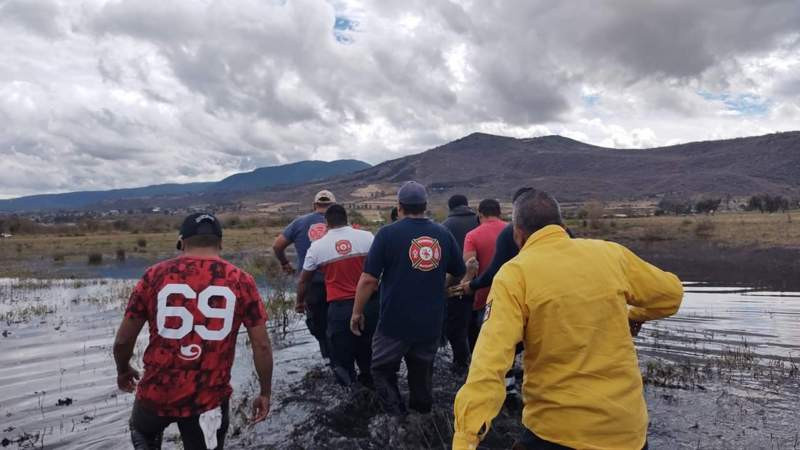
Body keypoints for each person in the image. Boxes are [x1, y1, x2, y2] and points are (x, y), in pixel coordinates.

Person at [453, 190, 683, 450]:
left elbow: (489, 365)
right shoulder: (611, 254)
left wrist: (465, 437)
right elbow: (670, 295)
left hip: (556, 434)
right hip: (627, 433)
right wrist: (635, 315)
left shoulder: (515, 274)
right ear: (563, 226)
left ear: (518, 234)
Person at [114, 213, 273, 450]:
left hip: (156, 393)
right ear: (220, 243)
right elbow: (261, 345)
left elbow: (124, 339)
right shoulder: (241, 280)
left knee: (141, 433)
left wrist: (123, 369)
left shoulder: (154, 275)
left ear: (181, 242)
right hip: (208, 400)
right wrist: (265, 392)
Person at [350, 181, 466, 415]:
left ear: (400, 207)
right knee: (422, 375)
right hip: (430, 323)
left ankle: (398, 417)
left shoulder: (387, 233)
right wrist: (441, 288)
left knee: (381, 370)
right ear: (425, 206)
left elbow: (369, 280)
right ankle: (422, 417)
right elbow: (459, 271)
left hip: (394, 322)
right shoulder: (442, 233)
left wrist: (356, 312)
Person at [297, 204, 377, 387]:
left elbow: (303, 281)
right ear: (346, 218)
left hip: (340, 310)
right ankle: (372, 391)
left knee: (341, 358)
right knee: (369, 353)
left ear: (326, 223)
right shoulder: (367, 237)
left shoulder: (317, 247)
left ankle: (351, 395)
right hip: (369, 304)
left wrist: (299, 303)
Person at [272, 190, 335, 359]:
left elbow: (277, 246)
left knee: (317, 323)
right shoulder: (341, 223)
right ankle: (339, 359)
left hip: (310, 284)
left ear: (314, 206)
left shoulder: (299, 223)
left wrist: (285, 263)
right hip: (337, 283)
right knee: (338, 322)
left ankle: (329, 358)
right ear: (334, 206)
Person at [441, 194, 480, 374]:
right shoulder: (480, 222)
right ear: (467, 205)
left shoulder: (445, 227)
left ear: (451, 208)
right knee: (477, 323)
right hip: (482, 282)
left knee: (457, 326)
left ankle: (460, 362)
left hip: (455, 286)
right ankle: (479, 360)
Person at [462, 198, 507, 350]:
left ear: (480, 214)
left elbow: (470, 267)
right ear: (499, 213)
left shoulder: (472, 236)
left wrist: (466, 284)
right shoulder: (514, 231)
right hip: (512, 293)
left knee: (484, 344)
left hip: (484, 296)